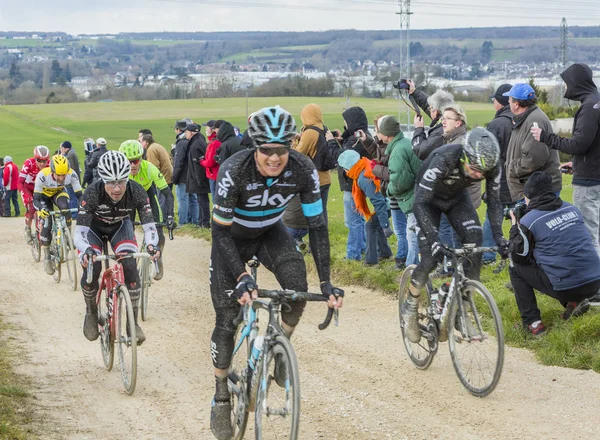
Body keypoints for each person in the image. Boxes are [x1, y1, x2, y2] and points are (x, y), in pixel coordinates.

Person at [208, 106, 343, 440]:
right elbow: (220, 234)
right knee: (226, 321)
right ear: (255, 147)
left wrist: (325, 281)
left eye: (281, 149)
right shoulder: (234, 170)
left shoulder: (302, 168)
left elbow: (317, 225)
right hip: (232, 241)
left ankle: (280, 346)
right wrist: (241, 275)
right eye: (266, 150)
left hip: (271, 233)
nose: (274, 158)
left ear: (291, 145)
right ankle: (221, 394)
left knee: (297, 290)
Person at [401, 128, 509, 343]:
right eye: (475, 169)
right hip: (427, 201)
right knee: (432, 258)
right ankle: (410, 307)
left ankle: (462, 310)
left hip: (457, 199)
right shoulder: (445, 158)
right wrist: (433, 240)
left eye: (483, 172)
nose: (479, 175)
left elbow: (495, 201)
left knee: (474, 240)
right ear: (465, 156)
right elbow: (419, 202)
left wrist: (499, 237)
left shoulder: (492, 164)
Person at [74, 151, 159, 345]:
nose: (117, 188)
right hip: (93, 230)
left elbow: (149, 226)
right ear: (102, 180)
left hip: (120, 226)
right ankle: (91, 312)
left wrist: (153, 245)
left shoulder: (136, 191)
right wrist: (86, 250)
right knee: (92, 267)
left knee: (130, 266)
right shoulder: (93, 192)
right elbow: (79, 233)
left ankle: (133, 324)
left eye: (121, 181)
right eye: (111, 183)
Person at [508, 172, 600, 335]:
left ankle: (532, 323)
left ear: (530, 196)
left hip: (567, 287)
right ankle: (574, 302)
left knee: (514, 266)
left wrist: (515, 226)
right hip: (594, 282)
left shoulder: (530, 221)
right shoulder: (572, 208)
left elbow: (518, 255)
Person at [530, 64, 600, 260]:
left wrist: (546, 137)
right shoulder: (596, 102)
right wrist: (576, 164)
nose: (566, 88)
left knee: (589, 233)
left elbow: (579, 145)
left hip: (589, 182)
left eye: (568, 83)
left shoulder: (589, 107)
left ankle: (594, 283)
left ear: (577, 83)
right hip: (594, 175)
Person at [119, 140, 175, 280]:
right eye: (128, 161)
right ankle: (129, 261)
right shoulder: (119, 171)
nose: (132, 165)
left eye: (135, 161)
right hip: (129, 200)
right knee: (126, 229)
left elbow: (168, 194)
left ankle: (158, 255)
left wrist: (169, 216)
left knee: (158, 228)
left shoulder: (150, 168)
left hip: (148, 196)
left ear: (141, 159)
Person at [327, 106, 375, 261]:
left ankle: (353, 255)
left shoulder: (358, 139)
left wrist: (331, 143)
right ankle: (360, 249)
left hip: (352, 185)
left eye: (346, 122)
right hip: (354, 184)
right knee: (358, 219)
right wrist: (343, 139)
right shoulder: (359, 136)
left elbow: (341, 157)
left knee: (352, 221)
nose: (345, 125)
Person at [504, 83, 561, 202]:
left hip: (537, 192)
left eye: (509, 100)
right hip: (531, 188)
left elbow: (534, 159)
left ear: (516, 104)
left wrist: (512, 168)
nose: (508, 102)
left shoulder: (534, 121)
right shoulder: (525, 118)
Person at [379, 115, 422, 268]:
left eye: (380, 131)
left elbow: (400, 181)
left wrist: (388, 191)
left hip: (414, 198)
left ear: (386, 134)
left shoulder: (397, 151)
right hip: (419, 192)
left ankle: (411, 270)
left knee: (412, 235)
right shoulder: (405, 143)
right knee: (413, 233)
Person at [337, 150, 393, 266]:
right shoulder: (364, 168)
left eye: (344, 168)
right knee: (374, 225)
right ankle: (385, 253)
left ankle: (371, 261)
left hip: (387, 204)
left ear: (350, 167)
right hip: (389, 202)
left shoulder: (363, 178)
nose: (344, 171)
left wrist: (385, 225)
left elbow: (379, 202)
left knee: (370, 226)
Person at [33, 155, 83, 275]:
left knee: (66, 208)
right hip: (43, 197)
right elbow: (36, 199)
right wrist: (41, 208)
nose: (61, 178)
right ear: (52, 171)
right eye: (59, 175)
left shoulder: (72, 174)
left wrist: (83, 205)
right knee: (47, 223)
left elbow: (80, 195)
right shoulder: (42, 175)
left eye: (64, 175)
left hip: (59, 193)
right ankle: (47, 257)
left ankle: (67, 235)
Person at [482, 84, 514, 264]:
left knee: (492, 218)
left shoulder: (496, 124)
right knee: (519, 218)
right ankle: (520, 253)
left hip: (499, 179)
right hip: (519, 178)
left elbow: (487, 154)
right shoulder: (520, 119)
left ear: (499, 102)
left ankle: (487, 255)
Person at [407, 81, 455, 161]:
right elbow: (428, 105)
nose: (429, 110)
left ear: (436, 111)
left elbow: (421, 151)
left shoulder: (440, 132)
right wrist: (414, 92)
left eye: (430, 109)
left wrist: (418, 129)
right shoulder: (451, 119)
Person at [18, 146, 50, 242]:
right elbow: (20, 182)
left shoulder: (50, 165)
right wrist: (26, 195)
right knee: (31, 208)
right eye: (39, 160)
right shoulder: (29, 163)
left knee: (46, 207)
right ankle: (28, 228)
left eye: (44, 161)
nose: (42, 163)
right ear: (35, 158)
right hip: (28, 188)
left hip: (41, 189)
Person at [172, 118, 198, 226]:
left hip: (183, 176)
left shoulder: (181, 143)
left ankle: (182, 222)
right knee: (193, 199)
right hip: (193, 175)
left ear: (178, 130)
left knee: (182, 199)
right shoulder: (191, 140)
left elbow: (179, 162)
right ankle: (195, 221)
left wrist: (175, 177)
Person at [185, 123, 211, 228]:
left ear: (191, 132)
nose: (185, 134)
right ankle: (201, 222)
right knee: (201, 200)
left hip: (199, 178)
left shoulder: (196, 144)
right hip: (199, 177)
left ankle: (204, 223)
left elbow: (198, 164)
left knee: (203, 201)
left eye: (186, 132)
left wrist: (199, 180)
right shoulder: (198, 141)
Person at [200, 119, 222, 198]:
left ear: (213, 129)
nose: (206, 129)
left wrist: (201, 161)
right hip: (215, 175)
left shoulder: (214, 143)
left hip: (214, 175)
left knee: (215, 199)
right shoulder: (213, 141)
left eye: (207, 127)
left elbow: (210, 162)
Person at [60, 141, 81, 219]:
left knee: (72, 198)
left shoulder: (70, 155)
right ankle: (75, 213)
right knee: (73, 198)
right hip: (74, 180)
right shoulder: (72, 153)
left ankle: (74, 214)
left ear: (65, 148)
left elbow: (70, 169)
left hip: (71, 182)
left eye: (62, 148)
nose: (61, 149)